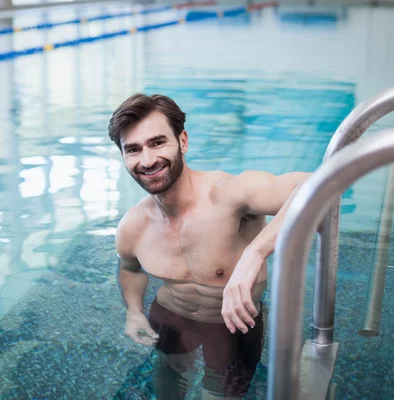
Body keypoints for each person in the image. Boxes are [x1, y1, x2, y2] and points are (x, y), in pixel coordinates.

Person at [109, 93, 310, 399]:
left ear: (183, 142)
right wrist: (134, 311)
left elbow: (318, 185)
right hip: (171, 315)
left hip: (233, 322)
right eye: (133, 149)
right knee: (168, 382)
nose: (147, 160)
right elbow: (130, 268)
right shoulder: (133, 227)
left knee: (220, 392)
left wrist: (255, 253)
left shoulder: (229, 195)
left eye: (158, 142)